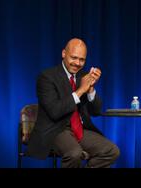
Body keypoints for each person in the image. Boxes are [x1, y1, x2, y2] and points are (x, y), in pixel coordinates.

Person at [27, 38, 120, 168]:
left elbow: (96, 111)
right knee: (74, 153)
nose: (77, 63)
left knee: (111, 151)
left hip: (79, 129)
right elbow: (55, 111)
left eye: (82, 60)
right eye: (74, 58)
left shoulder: (83, 76)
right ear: (64, 53)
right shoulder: (47, 77)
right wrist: (81, 90)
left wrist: (91, 89)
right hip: (56, 129)